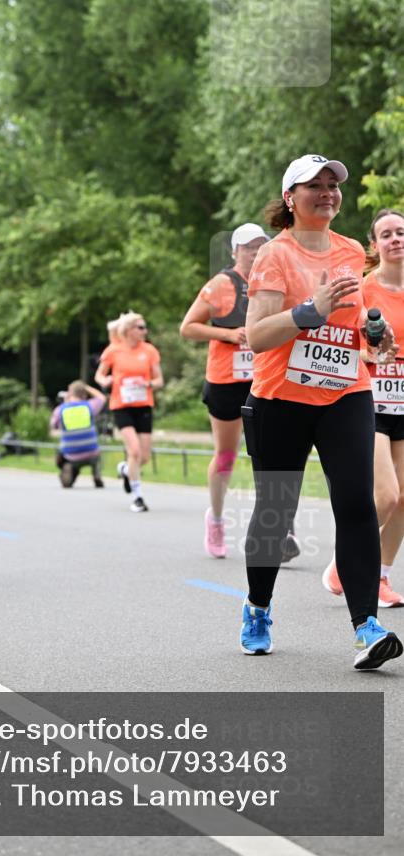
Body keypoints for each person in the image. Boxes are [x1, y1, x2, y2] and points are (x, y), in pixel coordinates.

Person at [239, 153, 402, 670]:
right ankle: (258, 607)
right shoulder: (274, 256)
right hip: (280, 397)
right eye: (315, 185)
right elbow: (257, 335)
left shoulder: (353, 250)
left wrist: (376, 338)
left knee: (356, 505)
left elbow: (354, 328)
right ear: (291, 198)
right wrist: (311, 311)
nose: (328, 192)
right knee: (275, 511)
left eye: (334, 185)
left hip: (345, 393)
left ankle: (366, 627)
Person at [322, 208, 404, 607]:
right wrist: (374, 357)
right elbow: (344, 342)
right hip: (369, 398)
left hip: (403, 402)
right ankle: (346, 560)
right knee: (386, 495)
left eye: (401, 232)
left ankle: (380, 576)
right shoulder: (365, 290)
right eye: (386, 234)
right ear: (374, 245)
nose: (395, 239)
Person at [180, 223, 270, 559]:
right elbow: (187, 327)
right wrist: (229, 335)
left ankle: (280, 525)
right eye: (249, 247)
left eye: (261, 245)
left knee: (270, 454)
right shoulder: (221, 284)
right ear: (235, 252)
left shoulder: (274, 280)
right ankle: (216, 518)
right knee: (227, 456)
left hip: (264, 377)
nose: (256, 251)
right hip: (225, 379)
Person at [95, 311, 163, 512]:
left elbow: (160, 380)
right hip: (121, 406)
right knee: (133, 451)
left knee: (144, 456)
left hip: (143, 405)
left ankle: (125, 469)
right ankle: (138, 497)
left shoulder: (149, 351)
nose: (145, 331)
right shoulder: (113, 351)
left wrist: (148, 383)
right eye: (140, 327)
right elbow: (99, 375)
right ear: (129, 330)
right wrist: (105, 381)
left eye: (144, 327)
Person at [50, 380, 105, 488]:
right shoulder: (89, 406)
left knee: (60, 453)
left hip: (71, 455)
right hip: (91, 452)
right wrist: (87, 387)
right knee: (97, 454)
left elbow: (53, 425)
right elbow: (102, 398)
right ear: (84, 394)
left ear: (70, 394)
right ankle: (96, 473)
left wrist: (66, 402)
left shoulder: (61, 410)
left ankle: (69, 469)